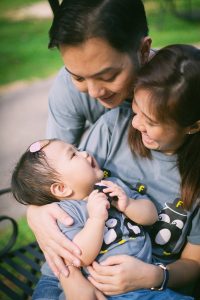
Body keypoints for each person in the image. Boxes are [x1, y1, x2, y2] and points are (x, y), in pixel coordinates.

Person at [28, 44, 200, 299]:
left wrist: (154, 275)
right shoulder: (113, 129)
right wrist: (72, 278)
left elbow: (194, 264)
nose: (135, 123)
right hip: (67, 275)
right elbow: (61, 186)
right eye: (136, 109)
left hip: (144, 286)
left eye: (151, 121)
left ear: (193, 126)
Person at [28, 0, 153, 276]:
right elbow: (51, 170)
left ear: (143, 50)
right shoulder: (69, 89)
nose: (94, 91)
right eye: (78, 77)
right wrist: (35, 213)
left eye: (108, 76)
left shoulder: (185, 88)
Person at [12, 138, 172, 300]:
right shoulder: (67, 213)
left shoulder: (113, 185)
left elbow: (151, 216)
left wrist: (128, 204)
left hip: (136, 281)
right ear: (62, 188)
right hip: (96, 285)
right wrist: (96, 219)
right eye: (74, 155)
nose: (85, 153)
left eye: (78, 149)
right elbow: (79, 257)